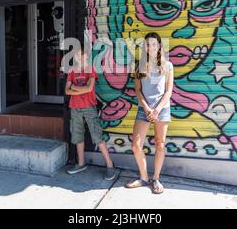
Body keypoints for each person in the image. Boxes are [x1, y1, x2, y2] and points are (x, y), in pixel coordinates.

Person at [124, 32, 174, 194]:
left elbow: (168, 91)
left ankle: (156, 178)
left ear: (159, 46)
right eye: (147, 44)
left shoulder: (168, 66)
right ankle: (144, 177)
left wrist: (157, 109)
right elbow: (137, 90)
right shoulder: (139, 65)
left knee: (160, 143)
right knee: (136, 145)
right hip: (144, 109)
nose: (151, 47)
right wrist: (146, 108)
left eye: (154, 44)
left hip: (162, 109)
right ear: (144, 47)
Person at [65, 49, 116, 180]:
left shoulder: (90, 69)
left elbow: (89, 88)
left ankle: (110, 165)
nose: (80, 58)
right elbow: (67, 90)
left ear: (87, 57)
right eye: (78, 55)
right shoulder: (71, 70)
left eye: (82, 56)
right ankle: (81, 163)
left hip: (89, 107)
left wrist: (74, 88)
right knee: (77, 135)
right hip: (75, 107)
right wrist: (80, 90)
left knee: (97, 135)